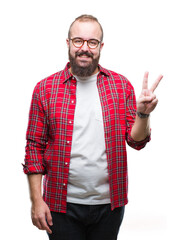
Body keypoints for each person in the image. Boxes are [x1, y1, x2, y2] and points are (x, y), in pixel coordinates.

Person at [23, 14, 163, 240]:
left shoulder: (120, 85)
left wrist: (143, 114)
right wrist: (36, 201)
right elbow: (34, 147)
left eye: (92, 42)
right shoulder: (45, 89)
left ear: (101, 46)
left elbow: (136, 141)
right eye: (78, 41)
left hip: (110, 206)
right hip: (60, 205)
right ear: (68, 43)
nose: (84, 48)